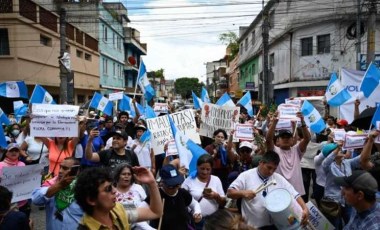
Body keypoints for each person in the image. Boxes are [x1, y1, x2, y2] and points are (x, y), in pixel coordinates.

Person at [227, 150, 309, 229]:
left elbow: (295, 194)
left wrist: (305, 209)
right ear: (261, 163)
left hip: (275, 225)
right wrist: (243, 193)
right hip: (252, 226)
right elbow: (230, 193)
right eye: (269, 167)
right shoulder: (246, 176)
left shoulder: (278, 178)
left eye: (274, 169)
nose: (271, 172)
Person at [74, 166, 162, 229]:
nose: (115, 191)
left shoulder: (119, 208)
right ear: (91, 200)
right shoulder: (85, 228)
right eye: (108, 189)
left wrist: (152, 183)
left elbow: (154, 212)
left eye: (112, 186)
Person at [266, 112, 311, 196]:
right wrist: (275, 122)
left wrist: (302, 121)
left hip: (296, 193)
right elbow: (268, 140)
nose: (286, 139)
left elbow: (307, 139)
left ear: (292, 140)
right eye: (283, 137)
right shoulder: (275, 151)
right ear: (278, 140)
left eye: (288, 137)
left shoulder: (296, 150)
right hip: (278, 190)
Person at [31, 157, 83, 230]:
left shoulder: (83, 187)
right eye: (60, 167)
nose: (60, 171)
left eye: (65, 168)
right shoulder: (51, 183)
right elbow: (36, 200)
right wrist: (59, 186)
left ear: (77, 171)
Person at [149, 164, 202, 230]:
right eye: (171, 186)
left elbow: (194, 204)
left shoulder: (182, 192)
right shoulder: (155, 196)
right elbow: (141, 220)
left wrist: (197, 212)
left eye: (177, 184)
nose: (175, 188)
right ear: (162, 182)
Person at [182, 154, 226, 230]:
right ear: (197, 167)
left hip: (214, 221)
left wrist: (216, 196)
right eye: (202, 168)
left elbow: (223, 203)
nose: (205, 172)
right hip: (196, 221)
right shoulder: (189, 181)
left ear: (211, 169)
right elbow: (181, 199)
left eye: (208, 169)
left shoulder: (216, 180)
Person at [113, 163, 153, 230]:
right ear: (117, 175)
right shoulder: (112, 191)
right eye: (123, 174)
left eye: (129, 174)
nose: (127, 176)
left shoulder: (138, 188)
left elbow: (147, 206)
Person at [0, 143, 30, 218]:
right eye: (11, 151)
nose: (14, 152)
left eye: (16, 151)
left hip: (23, 201)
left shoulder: (22, 164)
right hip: (8, 203)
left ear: (19, 153)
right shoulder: (1, 165)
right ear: (6, 153)